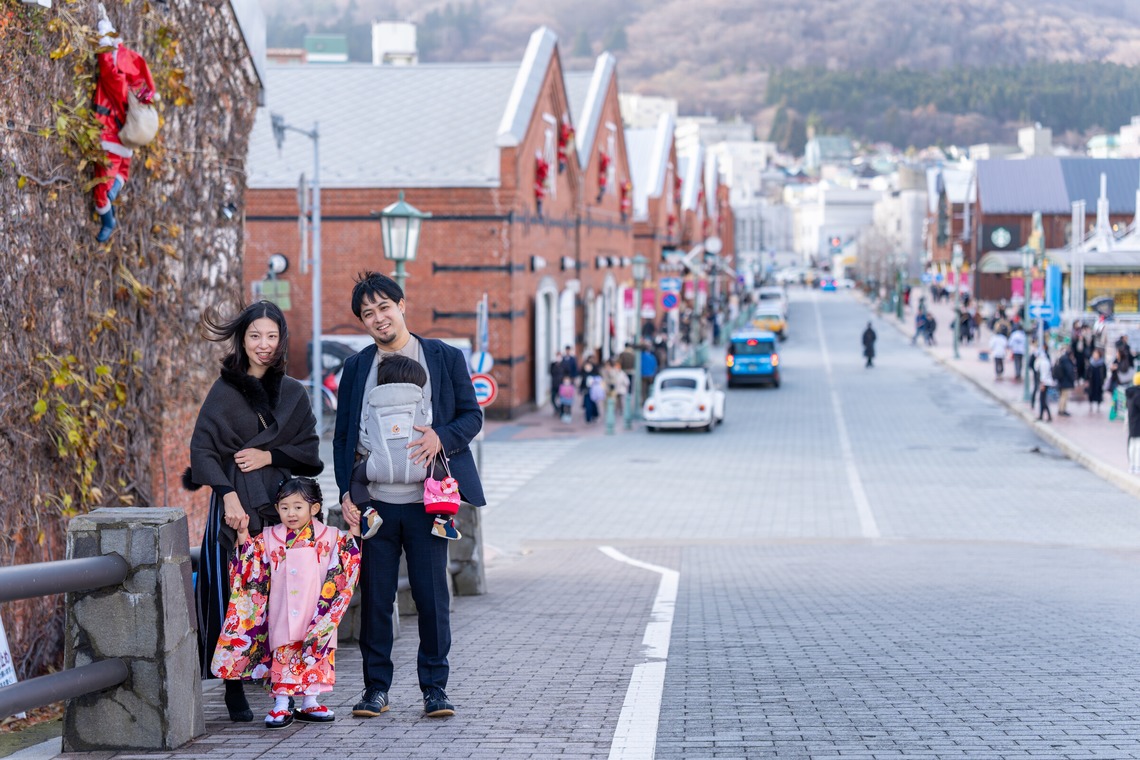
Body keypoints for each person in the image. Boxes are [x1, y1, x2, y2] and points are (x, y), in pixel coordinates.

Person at [334, 272, 485, 720]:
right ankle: (375, 689)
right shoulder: (357, 367)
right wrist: (346, 492)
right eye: (368, 314)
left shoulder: (443, 356)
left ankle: (434, 689)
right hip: (376, 504)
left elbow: (471, 418)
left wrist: (441, 436)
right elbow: (344, 438)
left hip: (429, 502)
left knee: (432, 597)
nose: (378, 318)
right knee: (376, 600)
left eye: (384, 307)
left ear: (403, 305)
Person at [183, 301, 323, 723]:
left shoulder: (294, 393)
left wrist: (267, 455)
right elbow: (203, 450)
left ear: (282, 339)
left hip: (282, 510)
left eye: (272, 336)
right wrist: (227, 497)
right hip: (234, 508)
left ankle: (284, 683)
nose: (264, 345)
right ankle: (233, 688)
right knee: (236, 596)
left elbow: (311, 454)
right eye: (255, 336)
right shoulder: (224, 391)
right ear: (242, 340)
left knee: (286, 597)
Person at [211, 478, 360, 728]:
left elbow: (347, 562)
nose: (291, 513)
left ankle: (311, 701)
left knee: (315, 653)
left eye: (298, 506)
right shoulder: (270, 537)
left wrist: (354, 530)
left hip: (316, 611)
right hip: (282, 612)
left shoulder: (330, 536)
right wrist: (243, 533)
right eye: (284, 507)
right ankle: (281, 703)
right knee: (284, 654)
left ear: (314, 508)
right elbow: (251, 566)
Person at [351, 354, 458, 542]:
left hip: (379, 468)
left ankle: (368, 512)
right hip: (418, 465)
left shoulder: (370, 406)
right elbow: (430, 428)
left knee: (356, 480)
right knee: (446, 484)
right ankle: (442, 521)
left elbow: (364, 437)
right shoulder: (422, 406)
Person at [1055, 347, 1076, 417]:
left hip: (1061, 381)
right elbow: (1069, 371)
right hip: (1065, 382)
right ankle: (1062, 410)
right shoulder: (1066, 360)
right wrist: (1073, 378)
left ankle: (1061, 409)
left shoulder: (1062, 359)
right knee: (1064, 396)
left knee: (1062, 396)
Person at [1037, 345, 1055, 422]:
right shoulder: (1046, 362)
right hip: (1046, 382)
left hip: (1045, 383)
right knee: (1042, 400)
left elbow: (1043, 374)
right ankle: (1042, 415)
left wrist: (1042, 384)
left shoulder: (1043, 363)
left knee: (1043, 400)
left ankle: (1048, 415)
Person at [1086, 348, 1107, 413]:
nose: (1095, 355)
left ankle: (1098, 405)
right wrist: (1086, 380)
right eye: (1094, 354)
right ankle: (1091, 405)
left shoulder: (1102, 363)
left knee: (1099, 392)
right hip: (1092, 380)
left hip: (1099, 380)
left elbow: (1104, 372)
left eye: (1096, 354)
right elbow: (1087, 372)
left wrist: (1103, 379)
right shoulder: (1090, 363)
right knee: (1091, 393)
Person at [1127, 373, 1140, 474]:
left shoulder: (1130, 393)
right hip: (1138, 423)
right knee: (1138, 445)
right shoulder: (1138, 394)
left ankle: (1132, 465)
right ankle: (1137, 466)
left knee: (1132, 444)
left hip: (1132, 422)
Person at [549, 351, 565, 417]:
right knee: (552, 399)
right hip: (554, 384)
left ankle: (561, 412)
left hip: (561, 384)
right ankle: (557, 409)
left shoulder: (564, 364)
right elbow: (551, 372)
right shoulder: (553, 364)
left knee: (562, 399)